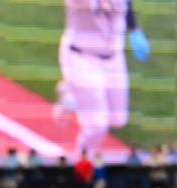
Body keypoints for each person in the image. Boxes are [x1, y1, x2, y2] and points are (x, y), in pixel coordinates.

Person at [56, 0, 149, 154]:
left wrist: (134, 29)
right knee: (97, 124)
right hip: (81, 58)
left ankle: (70, 91)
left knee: (118, 119)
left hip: (114, 59)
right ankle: (80, 164)